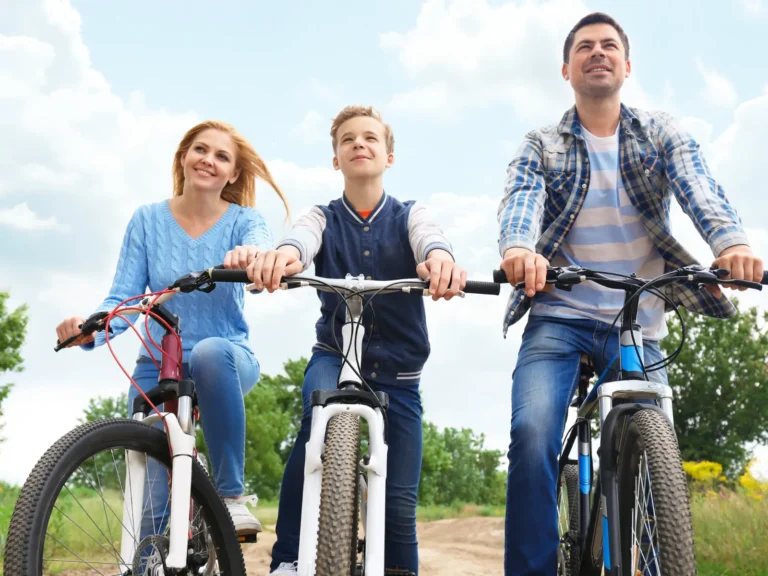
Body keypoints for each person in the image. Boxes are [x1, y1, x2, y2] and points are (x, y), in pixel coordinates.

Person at [496, 12, 763, 575]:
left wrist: (732, 243)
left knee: (656, 443)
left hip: (637, 316)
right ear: (566, 68)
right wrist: (520, 250)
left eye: (609, 45)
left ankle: (654, 562)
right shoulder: (541, 143)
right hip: (559, 315)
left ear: (627, 64)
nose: (599, 53)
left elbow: (699, 187)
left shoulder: (660, 133)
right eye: (585, 46)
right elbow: (521, 200)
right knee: (533, 431)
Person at [248, 105, 466, 575]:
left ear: (389, 155)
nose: (359, 144)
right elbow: (299, 242)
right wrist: (282, 258)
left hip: (399, 374)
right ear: (336, 160)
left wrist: (440, 260)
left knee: (399, 504)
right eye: (348, 140)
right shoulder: (322, 215)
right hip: (335, 355)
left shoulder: (411, 214)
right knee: (313, 431)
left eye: (370, 138)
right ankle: (288, 560)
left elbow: (430, 239)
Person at [55, 120, 290, 538]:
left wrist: (252, 256)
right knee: (153, 516)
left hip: (226, 359)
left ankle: (231, 498)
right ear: (184, 157)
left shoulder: (244, 221)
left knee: (209, 354)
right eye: (200, 150)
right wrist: (91, 329)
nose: (209, 161)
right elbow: (124, 299)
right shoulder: (147, 220)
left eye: (222, 157)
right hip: (158, 366)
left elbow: (261, 248)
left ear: (234, 174)